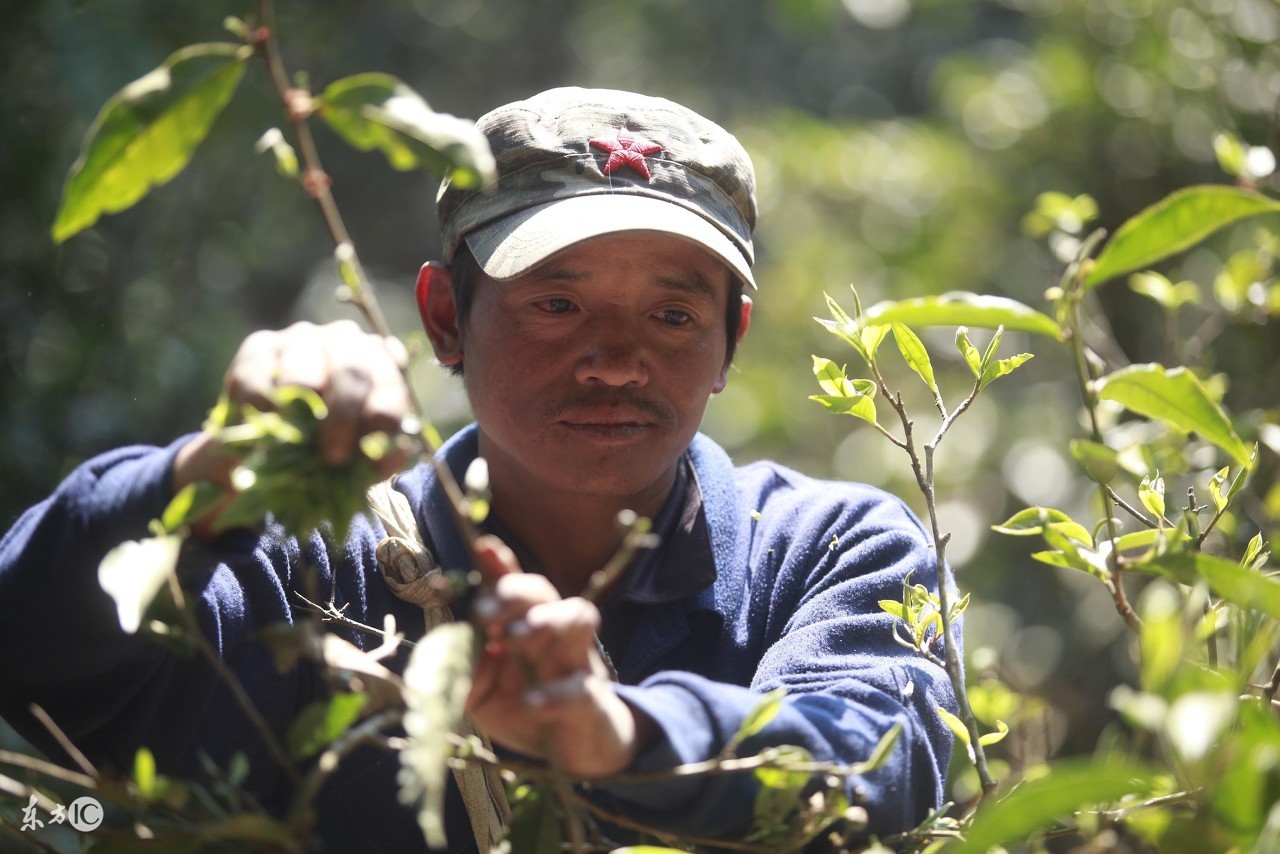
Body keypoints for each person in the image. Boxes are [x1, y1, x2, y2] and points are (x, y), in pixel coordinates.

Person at [0, 87, 958, 851]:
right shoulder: (320, 566)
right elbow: (35, 659)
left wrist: (618, 738)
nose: (617, 360)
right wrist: (202, 476)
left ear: (729, 342)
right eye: (555, 304)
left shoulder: (829, 550)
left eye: (672, 315)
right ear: (446, 319)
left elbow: (874, 756)